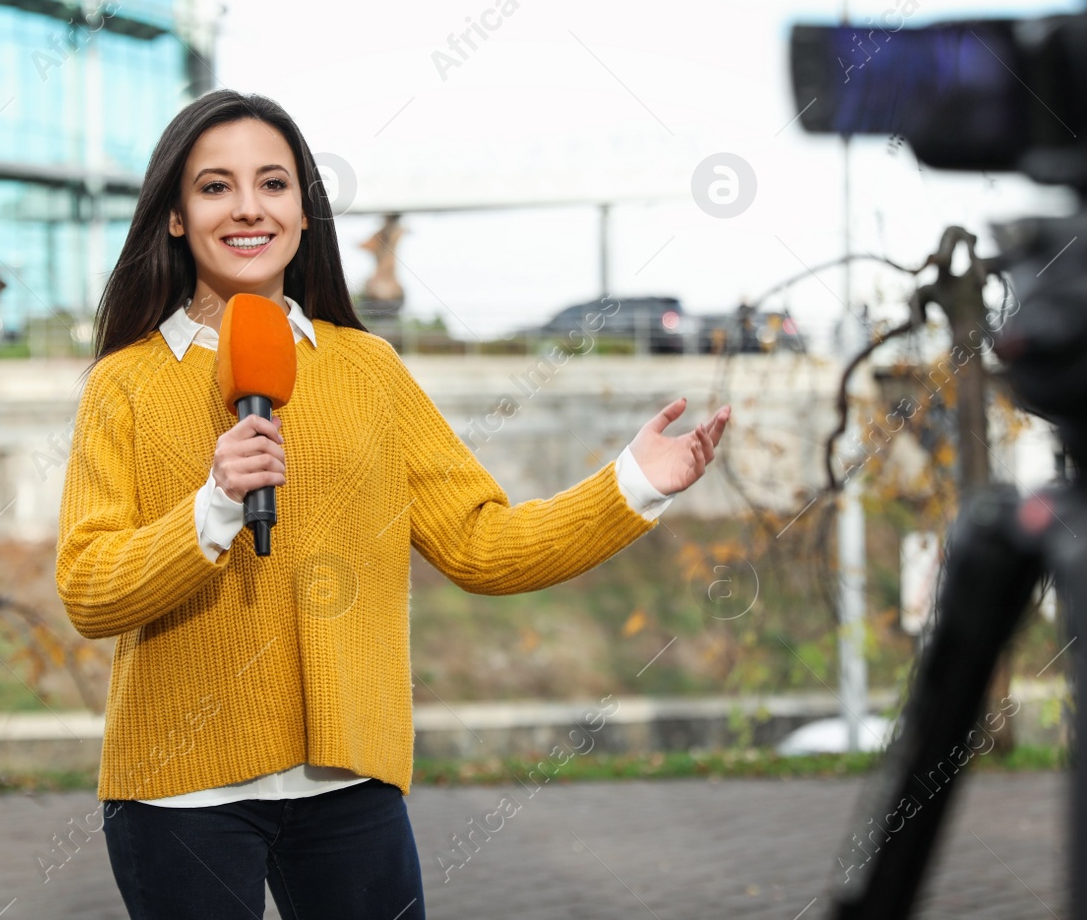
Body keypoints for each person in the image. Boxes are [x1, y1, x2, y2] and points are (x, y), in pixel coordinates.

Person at [55, 90, 731, 919]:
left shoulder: (369, 368)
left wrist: (631, 483)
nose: (246, 208)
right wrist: (213, 506)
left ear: (305, 212)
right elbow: (89, 588)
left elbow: (484, 545)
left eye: (272, 183)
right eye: (214, 186)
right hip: (177, 797)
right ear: (173, 215)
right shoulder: (123, 384)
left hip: (348, 786)